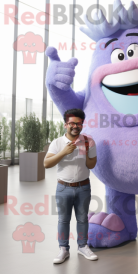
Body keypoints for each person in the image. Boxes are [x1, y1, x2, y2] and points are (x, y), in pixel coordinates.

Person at [44, 108, 98, 264]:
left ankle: (83, 246)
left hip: (83, 187)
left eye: (79, 123)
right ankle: (63, 249)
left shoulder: (89, 141)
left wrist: (86, 151)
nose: (75, 126)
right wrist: (64, 152)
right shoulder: (58, 143)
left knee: (82, 219)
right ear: (65, 124)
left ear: (82, 124)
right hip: (63, 188)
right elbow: (46, 163)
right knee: (63, 220)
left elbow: (92, 165)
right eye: (72, 123)